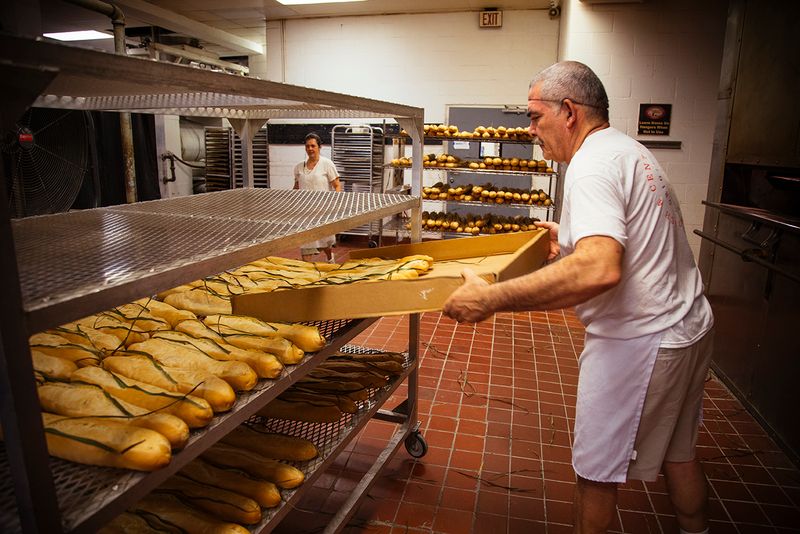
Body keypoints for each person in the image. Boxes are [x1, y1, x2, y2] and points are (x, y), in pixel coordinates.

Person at [442, 61, 714, 534]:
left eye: (534, 116)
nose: (530, 130)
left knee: (594, 475)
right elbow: (629, 239)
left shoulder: (589, 166)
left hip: (640, 341)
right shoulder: (628, 150)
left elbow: (599, 267)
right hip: (687, 326)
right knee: (679, 454)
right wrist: (569, 235)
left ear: (568, 111)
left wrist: (491, 298)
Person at [293, 132, 343, 262]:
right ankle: (307, 271)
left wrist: (336, 204)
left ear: (319, 147)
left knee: (324, 240)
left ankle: (329, 257)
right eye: (307, 146)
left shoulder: (327, 164)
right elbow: (296, 187)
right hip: (305, 211)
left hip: (322, 209)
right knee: (306, 242)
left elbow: (337, 185)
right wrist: (291, 202)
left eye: (313, 146)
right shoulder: (299, 167)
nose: (310, 149)